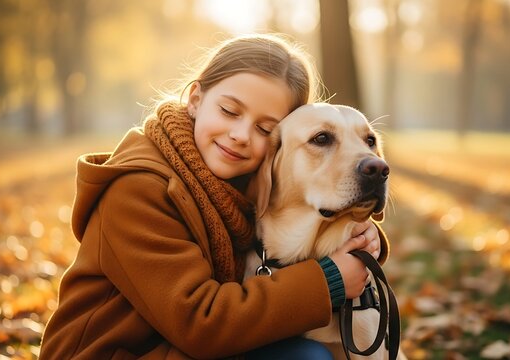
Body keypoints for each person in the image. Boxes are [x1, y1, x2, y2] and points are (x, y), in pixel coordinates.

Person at [39, 33, 389, 359]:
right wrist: (330, 280)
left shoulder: (237, 173)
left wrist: (362, 234)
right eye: (229, 111)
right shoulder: (136, 189)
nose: (240, 135)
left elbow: (294, 214)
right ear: (195, 99)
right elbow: (198, 321)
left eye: (264, 128)